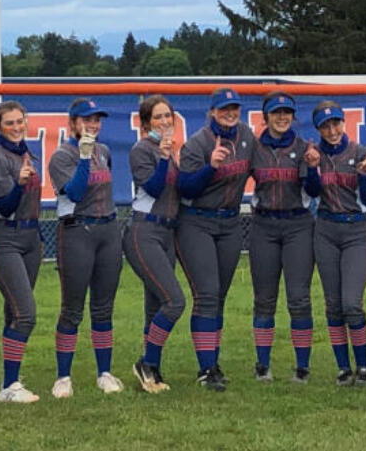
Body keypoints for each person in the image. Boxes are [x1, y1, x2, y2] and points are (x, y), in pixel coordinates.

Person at [176, 88, 254, 391]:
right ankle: (205, 369)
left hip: (231, 222)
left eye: (233, 108)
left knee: (218, 296)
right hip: (198, 221)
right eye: (224, 109)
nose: (230, 113)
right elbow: (186, 188)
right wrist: (212, 166)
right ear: (212, 111)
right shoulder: (198, 143)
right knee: (206, 294)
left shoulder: (246, 134)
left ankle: (213, 363)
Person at [47, 98, 124, 398]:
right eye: (86, 120)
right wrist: (82, 157)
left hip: (107, 229)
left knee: (103, 307)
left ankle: (104, 372)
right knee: (72, 308)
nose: (92, 125)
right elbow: (76, 192)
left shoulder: (103, 152)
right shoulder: (62, 156)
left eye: (96, 120)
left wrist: (90, 154)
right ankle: (63, 376)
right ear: (73, 123)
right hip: (78, 230)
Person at [247, 91, 316, 384]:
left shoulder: (302, 147)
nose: (282, 117)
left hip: (298, 224)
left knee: (299, 299)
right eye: (276, 113)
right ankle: (262, 365)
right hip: (263, 225)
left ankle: (302, 366)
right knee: (264, 298)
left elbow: (313, 191)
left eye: (287, 112)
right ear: (266, 117)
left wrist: (313, 168)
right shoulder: (253, 148)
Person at [307, 101, 366, 385]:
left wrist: (364, 177)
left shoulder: (360, 152)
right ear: (319, 129)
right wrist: (311, 168)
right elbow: (311, 191)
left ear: (343, 123)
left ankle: (363, 367)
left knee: (351, 303)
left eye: (335, 123)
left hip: (355, 229)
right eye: (325, 126)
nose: (332, 130)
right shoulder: (314, 154)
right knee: (333, 304)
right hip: (325, 229)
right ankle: (343, 368)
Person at [0, 100, 45, 403]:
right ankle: (9, 386)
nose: (17, 127)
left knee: (14, 312)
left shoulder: (26, 153)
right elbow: (6, 206)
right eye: (9, 123)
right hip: (5, 236)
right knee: (26, 313)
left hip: (31, 237)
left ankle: (11, 381)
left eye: (20, 121)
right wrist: (20, 185)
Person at [123, 95, 184, 394]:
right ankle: (146, 363)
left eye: (168, 117)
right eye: (157, 117)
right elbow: (153, 187)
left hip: (165, 233)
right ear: (146, 123)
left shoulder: (171, 151)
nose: (164, 122)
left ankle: (153, 371)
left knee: (156, 306)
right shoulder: (142, 149)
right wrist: (163, 158)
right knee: (175, 301)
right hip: (144, 231)